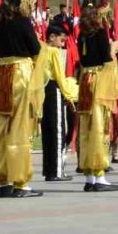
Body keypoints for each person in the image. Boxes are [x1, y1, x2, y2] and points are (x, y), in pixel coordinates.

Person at [0, 0, 48, 198]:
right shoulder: (23, 22)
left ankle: (3, 180)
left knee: (3, 126)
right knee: (21, 127)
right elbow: (36, 50)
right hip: (21, 73)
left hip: (3, 73)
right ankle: (21, 182)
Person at [76, 0, 118, 192]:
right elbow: (106, 60)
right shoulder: (101, 33)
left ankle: (89, 176)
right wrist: (112, 49)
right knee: (99, 127)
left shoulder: (82, 33)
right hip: (99, 82)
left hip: (85, 80)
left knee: (86, 128)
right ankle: (99, 174)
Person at [41, 23, 78, 182]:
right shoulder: (54, 52)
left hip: (43, 89)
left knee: (47, 131)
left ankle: (49, 170)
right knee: (57, 131)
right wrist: (68, 95)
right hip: (53, 88)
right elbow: (59, 75)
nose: (62, 44)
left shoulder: (41, 50)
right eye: (61, 40)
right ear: (52, 37)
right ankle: (56, 171)